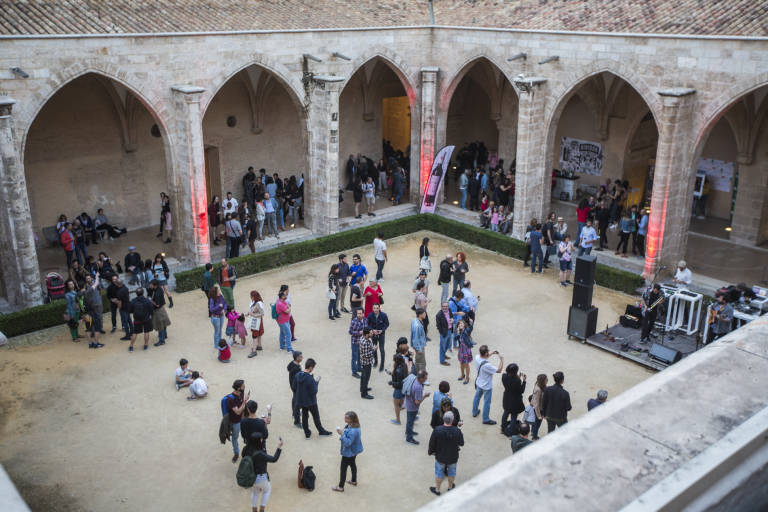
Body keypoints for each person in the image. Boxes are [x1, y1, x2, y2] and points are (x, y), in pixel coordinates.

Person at [293, 358, 333, 439]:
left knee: (304, 416)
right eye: (313, 367)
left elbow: (294, 387)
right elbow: (314, 391)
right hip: (311, 402)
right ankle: (321, 431)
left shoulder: (298, 375)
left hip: (302, 401)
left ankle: (307, 433)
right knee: (316, 417)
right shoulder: (310, 378)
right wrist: (316, 382)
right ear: (310, 367)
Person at [427, 410, 464, 496]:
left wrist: (430, 452)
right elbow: (461, 443)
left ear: (443, 419)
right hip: (453, 456)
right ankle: (450, 487)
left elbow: (432, 443)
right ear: (452, 420)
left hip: (440, 456)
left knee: (439, 473)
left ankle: (437, 490)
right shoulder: (456, 431)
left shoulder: (437, 430)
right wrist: (459, 429)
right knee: (452, 472)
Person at [244, 434, 282, 512]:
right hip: (261, 478)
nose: (262, 440)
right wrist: (279, 447)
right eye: (261, 439)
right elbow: (274, 459)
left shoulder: (246, 450)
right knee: (267, 490)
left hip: (251, 477)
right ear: (258, 441)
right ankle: (262, 510)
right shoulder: (260, 454)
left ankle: (254, 510)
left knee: (255, 493)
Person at [332, 411, 363, 492]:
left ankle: (340, 487)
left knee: (343, 469)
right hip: (354, 451)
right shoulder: (352, 425)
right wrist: (343, 432)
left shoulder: (353, 430)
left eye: (347, 418)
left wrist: (342, 434)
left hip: (348, 453)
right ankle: (353, 481)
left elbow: (348, 443)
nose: (345, 418)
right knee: (352, 464)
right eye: (345, 417)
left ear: (352, 419)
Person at [472, 345, 503, 425]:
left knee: (477, 397)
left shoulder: (477, 357)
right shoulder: (487, 365)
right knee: (487, 402)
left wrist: (492, 353)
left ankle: (474, 412)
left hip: (479, 382)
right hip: (486, 386)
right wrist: (501, 360)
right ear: (485, 353)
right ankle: (485, 419)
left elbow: (484, 358)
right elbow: (499, 370)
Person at [225, 380, 249, 463]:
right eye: (243, 386)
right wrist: (245, 402)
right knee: (235, 438)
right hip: (235, 422)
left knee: (246, 434)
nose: (244, 386)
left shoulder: (241, 393)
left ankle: (247, 444)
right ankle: (236, 453)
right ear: (239, 388)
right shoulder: (230, 399)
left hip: (243, 419)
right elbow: (238, 411)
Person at [405, 370, 431, 445]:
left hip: (408, 402)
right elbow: (417, 402)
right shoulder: (418, 387)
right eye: (425, 378)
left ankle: (408, 432)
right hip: (412, 407)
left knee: (409, 421)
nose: (426, 380)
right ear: (421, 378)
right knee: (410, 421)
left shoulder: (413, 378)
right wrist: (425, 396)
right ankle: (409, 438)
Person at [501, 364, 526, 434]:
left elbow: (509, 378)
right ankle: (511, 432)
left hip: (506, 398)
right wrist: (524, 381)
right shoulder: (517, 381)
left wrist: (517, 377)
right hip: (515, 400)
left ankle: (503, 428)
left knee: (505, 413)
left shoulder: (504, 376)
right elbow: (521, 390)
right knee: (514, 415)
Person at [387, 349, 410, 425]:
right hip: (405, 388)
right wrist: (391, 373)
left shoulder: (398, 369)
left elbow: (399, 383)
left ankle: (398, 420)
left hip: (399, 389)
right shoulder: (404, 366)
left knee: (396, 405)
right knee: (401, 402)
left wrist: (391, 383)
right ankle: (402, 406)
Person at [128, 287, 153, 352]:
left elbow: (130, 310)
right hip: (146, 319)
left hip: (137, 319)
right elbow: (151, 310)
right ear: (143, 293)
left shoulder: (133, 301)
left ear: (136, 294)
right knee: (146, 332)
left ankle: (131, 346)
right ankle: (145, 345)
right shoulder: (147, 300)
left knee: (135, 333)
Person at [83, 274, 104, 349]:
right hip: (93, 311)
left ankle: (90, 343)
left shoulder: (80, 294)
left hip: (85, 312)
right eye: (87, 279)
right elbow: (96, 284)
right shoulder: (89, 290)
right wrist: (97, 276)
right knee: (97, 327)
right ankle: (96, 343)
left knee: (88, 328)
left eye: (89, 278)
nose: (88, 280)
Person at [367, 303, 389, 371]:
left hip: (381, 335)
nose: (376, 309)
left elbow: (387, 324)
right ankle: (376, 362)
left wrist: (382, 330)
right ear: (372, 308)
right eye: (374, 308)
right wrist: (372, 330)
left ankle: (382, 364)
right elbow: (367, 324)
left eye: (377, 308)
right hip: (373, 335)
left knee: (382, 349)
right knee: (374, 348)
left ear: (379, 308)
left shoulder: (384, 315)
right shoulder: (370, 315)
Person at [149, 279, 171, 347]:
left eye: (151, 284)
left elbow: (157, 304)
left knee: (159, 326)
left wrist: (150, 300)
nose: (150, 285)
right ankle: (164, 335)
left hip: (158, 310)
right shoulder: (159, 289)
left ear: (154, 285)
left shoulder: (157, 293)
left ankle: (162, 341)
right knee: (163, 323)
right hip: (162, 309)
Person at [348, 307, 367, 378]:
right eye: (358, 313)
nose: (358, 315)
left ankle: (359, 368)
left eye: (360, 313)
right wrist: (359, 332)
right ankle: (354, 372)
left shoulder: (365, 320)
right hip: (355, 342)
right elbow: (350, 331)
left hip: (361, 342)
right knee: (354, 358)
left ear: (363, 314)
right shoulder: (354, 321)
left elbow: (366, 328)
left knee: (360, 356)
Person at [287, 350, 303, 427]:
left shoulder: (292, 363)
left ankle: (294, 413)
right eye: (300, 356)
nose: (302, 357)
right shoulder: (297, 368)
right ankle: (295, 415)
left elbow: (288, 368)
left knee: (295, 398)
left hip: (292, 385)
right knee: (297, 401)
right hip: (296, 386)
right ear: (297, 358)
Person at [455, 319, 474, 384]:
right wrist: (457, 332)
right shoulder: (459, 331)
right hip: (461, 349)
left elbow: (470, 329)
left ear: (464, 325)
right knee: (461, 363)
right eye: (459, 324)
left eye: (462, 324)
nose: (460, 325)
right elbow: (455, 339)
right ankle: (462, 375)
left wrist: (471, 323)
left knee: (466, 364)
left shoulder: (466, 331)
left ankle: (467, 377)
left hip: (466, 350)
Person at [247, 291, 266, 356]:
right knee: (259, 334)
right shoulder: (256, 302)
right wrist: (248, 314)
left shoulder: (258, 304)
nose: (250, 297)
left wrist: (253, 315)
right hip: (258, 320)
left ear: (253, 297)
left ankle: (254, 351)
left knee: (254, 335)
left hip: (256, 320)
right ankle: (259, 346)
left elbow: (262, 313)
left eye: (251, 296)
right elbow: (252, 310)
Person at [208, 285, 227, 349]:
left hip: (221, 316)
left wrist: (224, 309)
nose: (220, 291)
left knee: (220, 330)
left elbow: (224, 303)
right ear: (215, 292)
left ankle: (220, 343)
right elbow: (211, 309)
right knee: (217, 331)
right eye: (218, 290)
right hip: (215, 317)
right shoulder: (212, 299)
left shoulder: (221, 296)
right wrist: (219, 306)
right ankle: (216, 345)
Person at [435, 302, 454, 367]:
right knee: (442, 347)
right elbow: (438, 326)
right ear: (441, 307)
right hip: (444, 333)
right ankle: (442, 361)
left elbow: (451, 316)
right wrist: (442, 332)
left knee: (448, 345)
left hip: (450, 330)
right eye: (443, 306)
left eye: (446, 306)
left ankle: (443, 355)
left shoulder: (450, 310)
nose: (445, 307)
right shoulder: (439, 315)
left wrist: (452, 320)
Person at [530, 374, 547, 440]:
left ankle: (532, 432)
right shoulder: (539, 390)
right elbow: (536, 403)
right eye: (546, 379)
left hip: (538, 408)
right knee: (537, 423)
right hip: (539, 409)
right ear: (543, 381)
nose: (547, 380)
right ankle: (534, 436)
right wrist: (539, 415)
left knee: (535, 422)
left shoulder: (538, 385)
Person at [410, 308, 427, 373]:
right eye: (424, 313)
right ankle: (422, 378)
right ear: (420, 315)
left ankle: (417, 375)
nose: (425, 314)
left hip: (417, 346)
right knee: (422, 363)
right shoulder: (418, 326)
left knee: (418, 362)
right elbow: (416, 338)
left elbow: (412, 335)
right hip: (419, 346)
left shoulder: (414, 320)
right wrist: (419, 349)